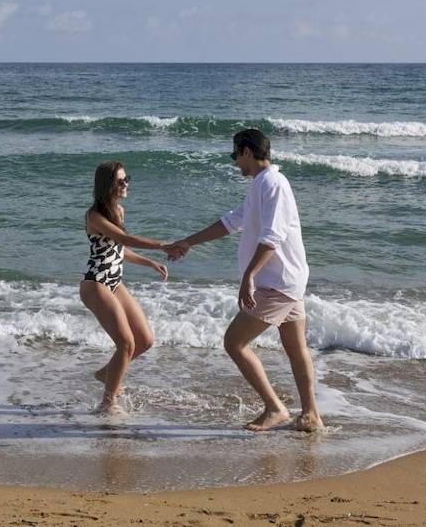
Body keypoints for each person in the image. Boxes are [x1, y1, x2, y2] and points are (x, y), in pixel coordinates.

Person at [166, 128, 322, 432]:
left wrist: (249, 276)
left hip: (276, 283)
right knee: (295, 348)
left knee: (234, 342)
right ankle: (310, 414)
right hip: (286, 281)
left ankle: (275, 408)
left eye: (235, 154)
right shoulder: (260, 185)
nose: (235, 161)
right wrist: (188, 242)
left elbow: (272, 237)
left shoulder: (273, 184)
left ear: (247, 152)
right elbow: (230, 222)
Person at [80, 159, 173, 413]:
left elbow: (118, 249)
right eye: (120, 181)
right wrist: (161, 244)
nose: (126, 184)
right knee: (126, 344)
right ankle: (108, 403)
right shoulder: (94, 216)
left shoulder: (119, 211)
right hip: (96, 284)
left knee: (144, 340)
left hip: (114, 282)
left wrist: (149, 263)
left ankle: (105, 374)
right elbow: (123, 238)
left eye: (126, 179)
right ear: (107, 185)